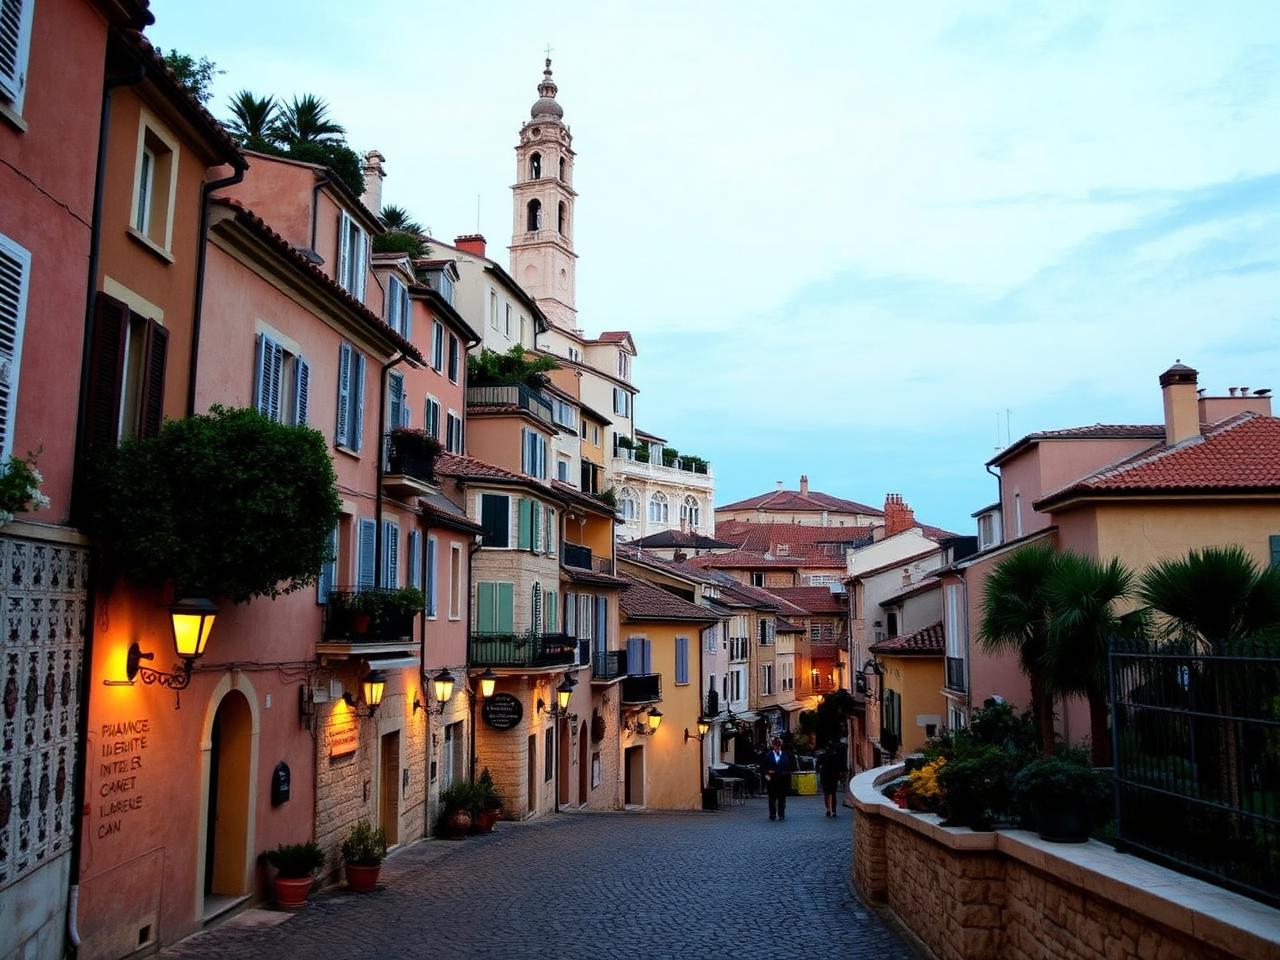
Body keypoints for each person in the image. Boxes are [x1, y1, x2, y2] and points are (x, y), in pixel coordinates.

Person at [759, 737, 796, 821]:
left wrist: (786, 773)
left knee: (782, 798)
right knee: (772, 798)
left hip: (783, 779)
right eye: (776, 745)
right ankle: (772, 814)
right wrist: (766, 774)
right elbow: (762, 768)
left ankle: (781, 814)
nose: (777, 747)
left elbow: (792, 767)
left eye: (779, 745)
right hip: (771, 779)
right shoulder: (767, 755)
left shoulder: (787, 755)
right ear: (773, 746)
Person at [818, 740, 848, 818]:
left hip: (824, 777)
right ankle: (833, 810)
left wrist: (819, 771)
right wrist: (842, 773)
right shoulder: (836, 756)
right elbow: (843, 766)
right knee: (833, 793)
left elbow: (817, 767)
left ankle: (828, 809)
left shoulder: (822, 756)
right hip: (834, 777)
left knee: (826, 793)